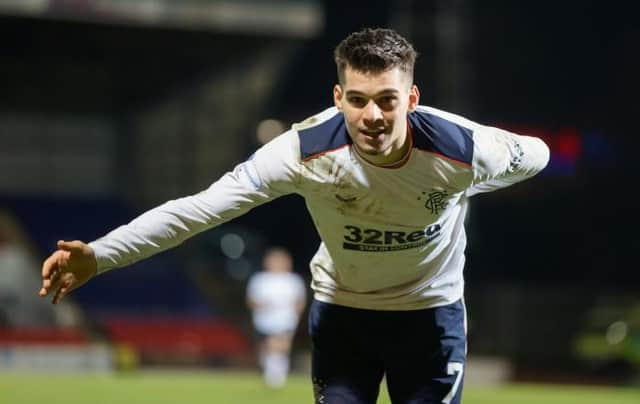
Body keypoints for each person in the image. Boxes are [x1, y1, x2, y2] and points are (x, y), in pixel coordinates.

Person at [39, 27, 549, 403]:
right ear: (338, 98)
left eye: (388, 101)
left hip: (431, 314)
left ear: (411, 99)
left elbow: (538, 153)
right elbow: (196, 211)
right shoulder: (301, 152)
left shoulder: (462, 150)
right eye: (358, 100)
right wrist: (100, 255)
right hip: (344, 315)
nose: (372, 117)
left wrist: (477, 179)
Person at [246, 247, 306, 388]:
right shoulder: (259, 279)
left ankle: (276, 376)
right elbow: (251, 300)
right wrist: (260, 305)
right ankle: (270, 370)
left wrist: (295, 316)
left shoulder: (293, 280)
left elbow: (300, 301)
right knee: (266, 348)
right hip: (264, 320)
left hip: (285, 319)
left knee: (279, 345)